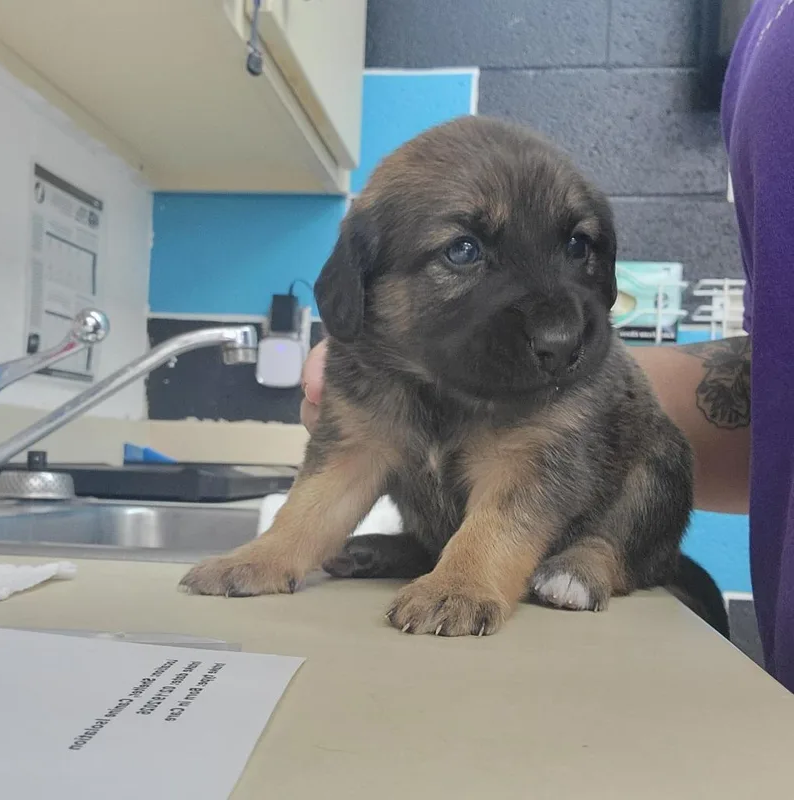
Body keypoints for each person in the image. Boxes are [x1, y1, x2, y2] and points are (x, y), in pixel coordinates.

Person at [298, 0, 794, 693]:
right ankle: (429, 545)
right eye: (463, 251)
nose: (557, 319)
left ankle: (599, 555)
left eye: (576, 245)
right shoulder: (762, 26)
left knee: (654, 456)